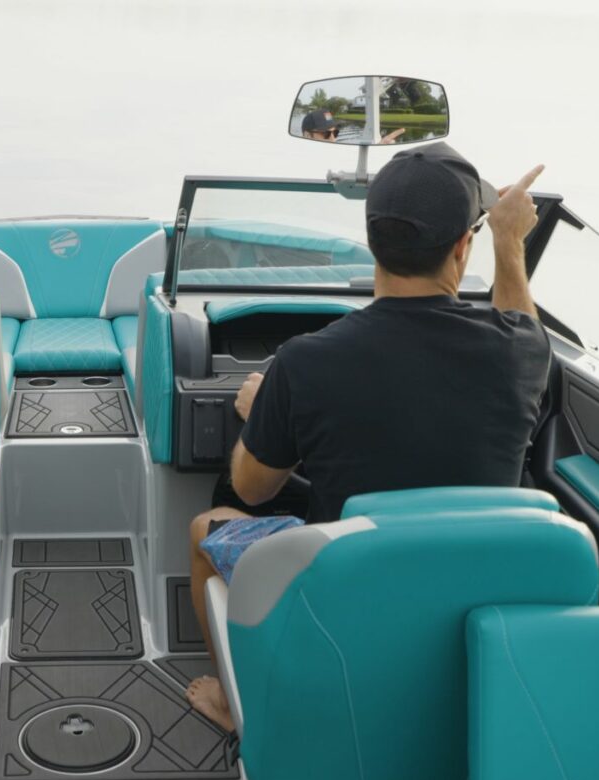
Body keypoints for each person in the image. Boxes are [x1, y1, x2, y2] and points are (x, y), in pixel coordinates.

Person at [185, 144, 553, 732]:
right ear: (463, 246)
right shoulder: (522, 352)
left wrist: (263, 413)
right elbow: (520, 322)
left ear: (373, 240)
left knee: (208, 530)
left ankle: (237, 708)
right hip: (468, 610)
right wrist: (509, 243)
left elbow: (252, 490)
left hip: (346, 601)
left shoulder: (304, 363)